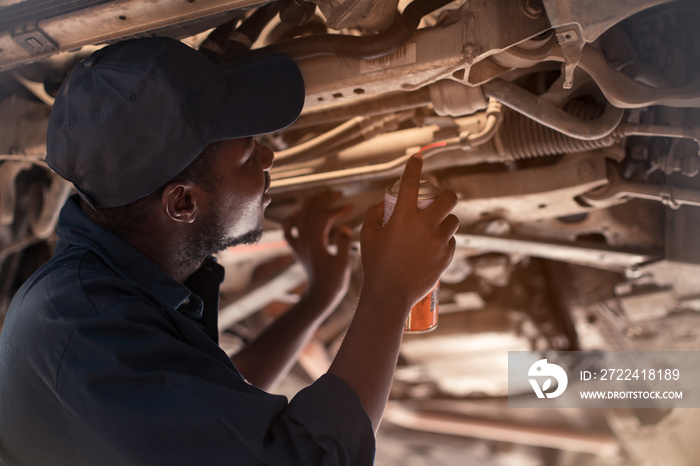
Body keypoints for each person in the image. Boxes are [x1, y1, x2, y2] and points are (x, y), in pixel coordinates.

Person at [0, 37, 458, 465]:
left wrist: (318, 299)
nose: (269, 160)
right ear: (183, 202)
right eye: (249, 153)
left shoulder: (97, 300)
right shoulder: (84, 328)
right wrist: (389, 290)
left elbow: (219, 407)